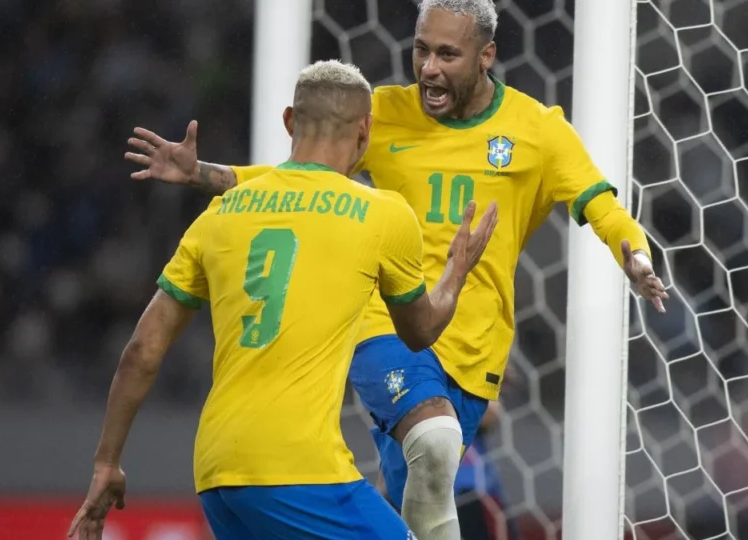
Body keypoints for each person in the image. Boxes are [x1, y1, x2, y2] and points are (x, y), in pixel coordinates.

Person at [123, 1, 669, 538]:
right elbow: (295, 179)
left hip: (474, 352)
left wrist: (635, 253)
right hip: (388, 330)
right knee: (433, 439)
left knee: (419, 504)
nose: (429, 68)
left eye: (448, 54)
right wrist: (204, 175)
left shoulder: (538, 131)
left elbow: (600, 203)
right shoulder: (382, 114)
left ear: (487, 56)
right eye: (421, 50)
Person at [67, 59, 499, 540]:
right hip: (301, 469)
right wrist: (456, 272)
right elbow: (420, 332)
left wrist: (107, 463)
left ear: (290, 121)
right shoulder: (382, 213)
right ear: (366, 130)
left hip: (217, 473)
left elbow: (141, 351)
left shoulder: (220, 214)